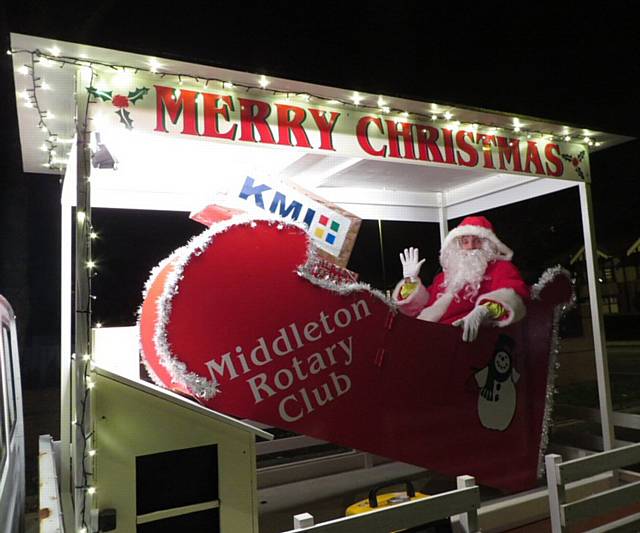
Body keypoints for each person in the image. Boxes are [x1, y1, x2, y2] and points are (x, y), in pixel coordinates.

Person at [393, 216, 528, 342]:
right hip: (428, 336)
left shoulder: (501, 268)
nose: (470, 247)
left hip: (465, 341)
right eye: (465, 241)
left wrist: (485, 310)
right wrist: (410, 280)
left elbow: (514, 296)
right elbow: (420, 306)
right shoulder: (446, 276)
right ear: (458, 244)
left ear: (488, 244)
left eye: (477, 241)